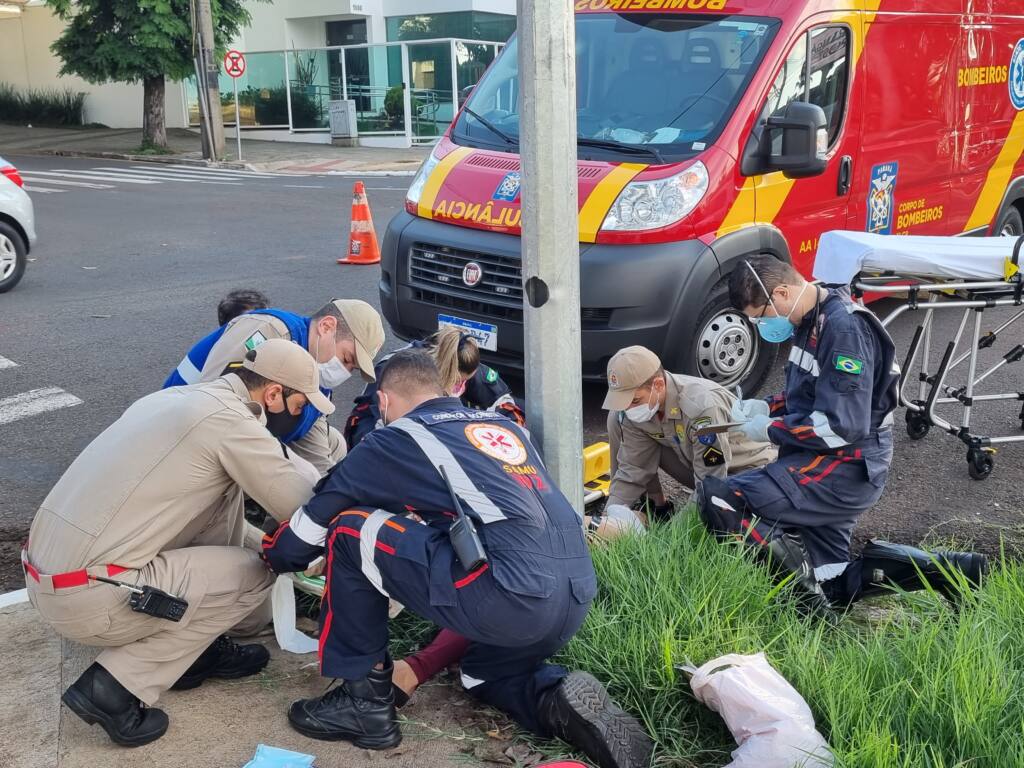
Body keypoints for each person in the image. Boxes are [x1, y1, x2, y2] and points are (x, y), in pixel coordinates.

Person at [262, 349, 653, 768]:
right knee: (482, 674)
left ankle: (364, 703)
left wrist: (269, 555)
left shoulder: (395, 438)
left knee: (349, 531)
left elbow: (304, 536)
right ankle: (555, 698)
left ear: (384, 402)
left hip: (509, 595)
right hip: (573, 594)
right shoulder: (502, 424)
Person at [23, 339, 330, 747]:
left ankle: (194, 654)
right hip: (91, 597)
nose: (299, 416)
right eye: (297, 407)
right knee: (258, 569)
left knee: (225, 498)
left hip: (48, 578)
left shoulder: (173, 399)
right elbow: (305, 507)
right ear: (273, 393)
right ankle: (113, 688)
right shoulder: (229, 423)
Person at [695, 256, 987, 610]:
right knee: (834, 582)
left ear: (783, 294)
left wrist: (770, 430)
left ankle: (807, 607)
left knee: (722, 498)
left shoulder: (843, 329)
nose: (760, 326)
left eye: (760, 316)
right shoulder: (811, 320)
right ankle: (955, 570)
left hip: (843, 467)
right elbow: (807, 393)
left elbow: (840, 425)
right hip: (828, 461)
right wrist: (766, 407)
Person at [164, 298, 385, 474]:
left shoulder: (315, 378)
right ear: (327, 327)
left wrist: (327, 496)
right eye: (347, 359)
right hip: (179, 435)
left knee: (334, 445)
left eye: (351, 368)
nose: (344, 372)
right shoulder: (268, 332)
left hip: (237, 438)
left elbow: (310, 442)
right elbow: (210, 404)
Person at [600, 345, 775, 524]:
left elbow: (711, 480)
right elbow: (633, 469)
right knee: (616, 418)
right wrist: (607, 521)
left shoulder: (701, 407)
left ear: (658, 385)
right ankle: (655, 506)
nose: (629, 408)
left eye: (635, 400)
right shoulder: (640, 408)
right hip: (698, 465)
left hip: (745, 473)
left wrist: (670, 537)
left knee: (727, 521)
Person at [344, 328, 524, 450]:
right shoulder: (394, 370)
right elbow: (368, 425)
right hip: (382, 430)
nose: (460, 387)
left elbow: (508, 411)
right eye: (456, 382)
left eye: (464, 382)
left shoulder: (462, 360)